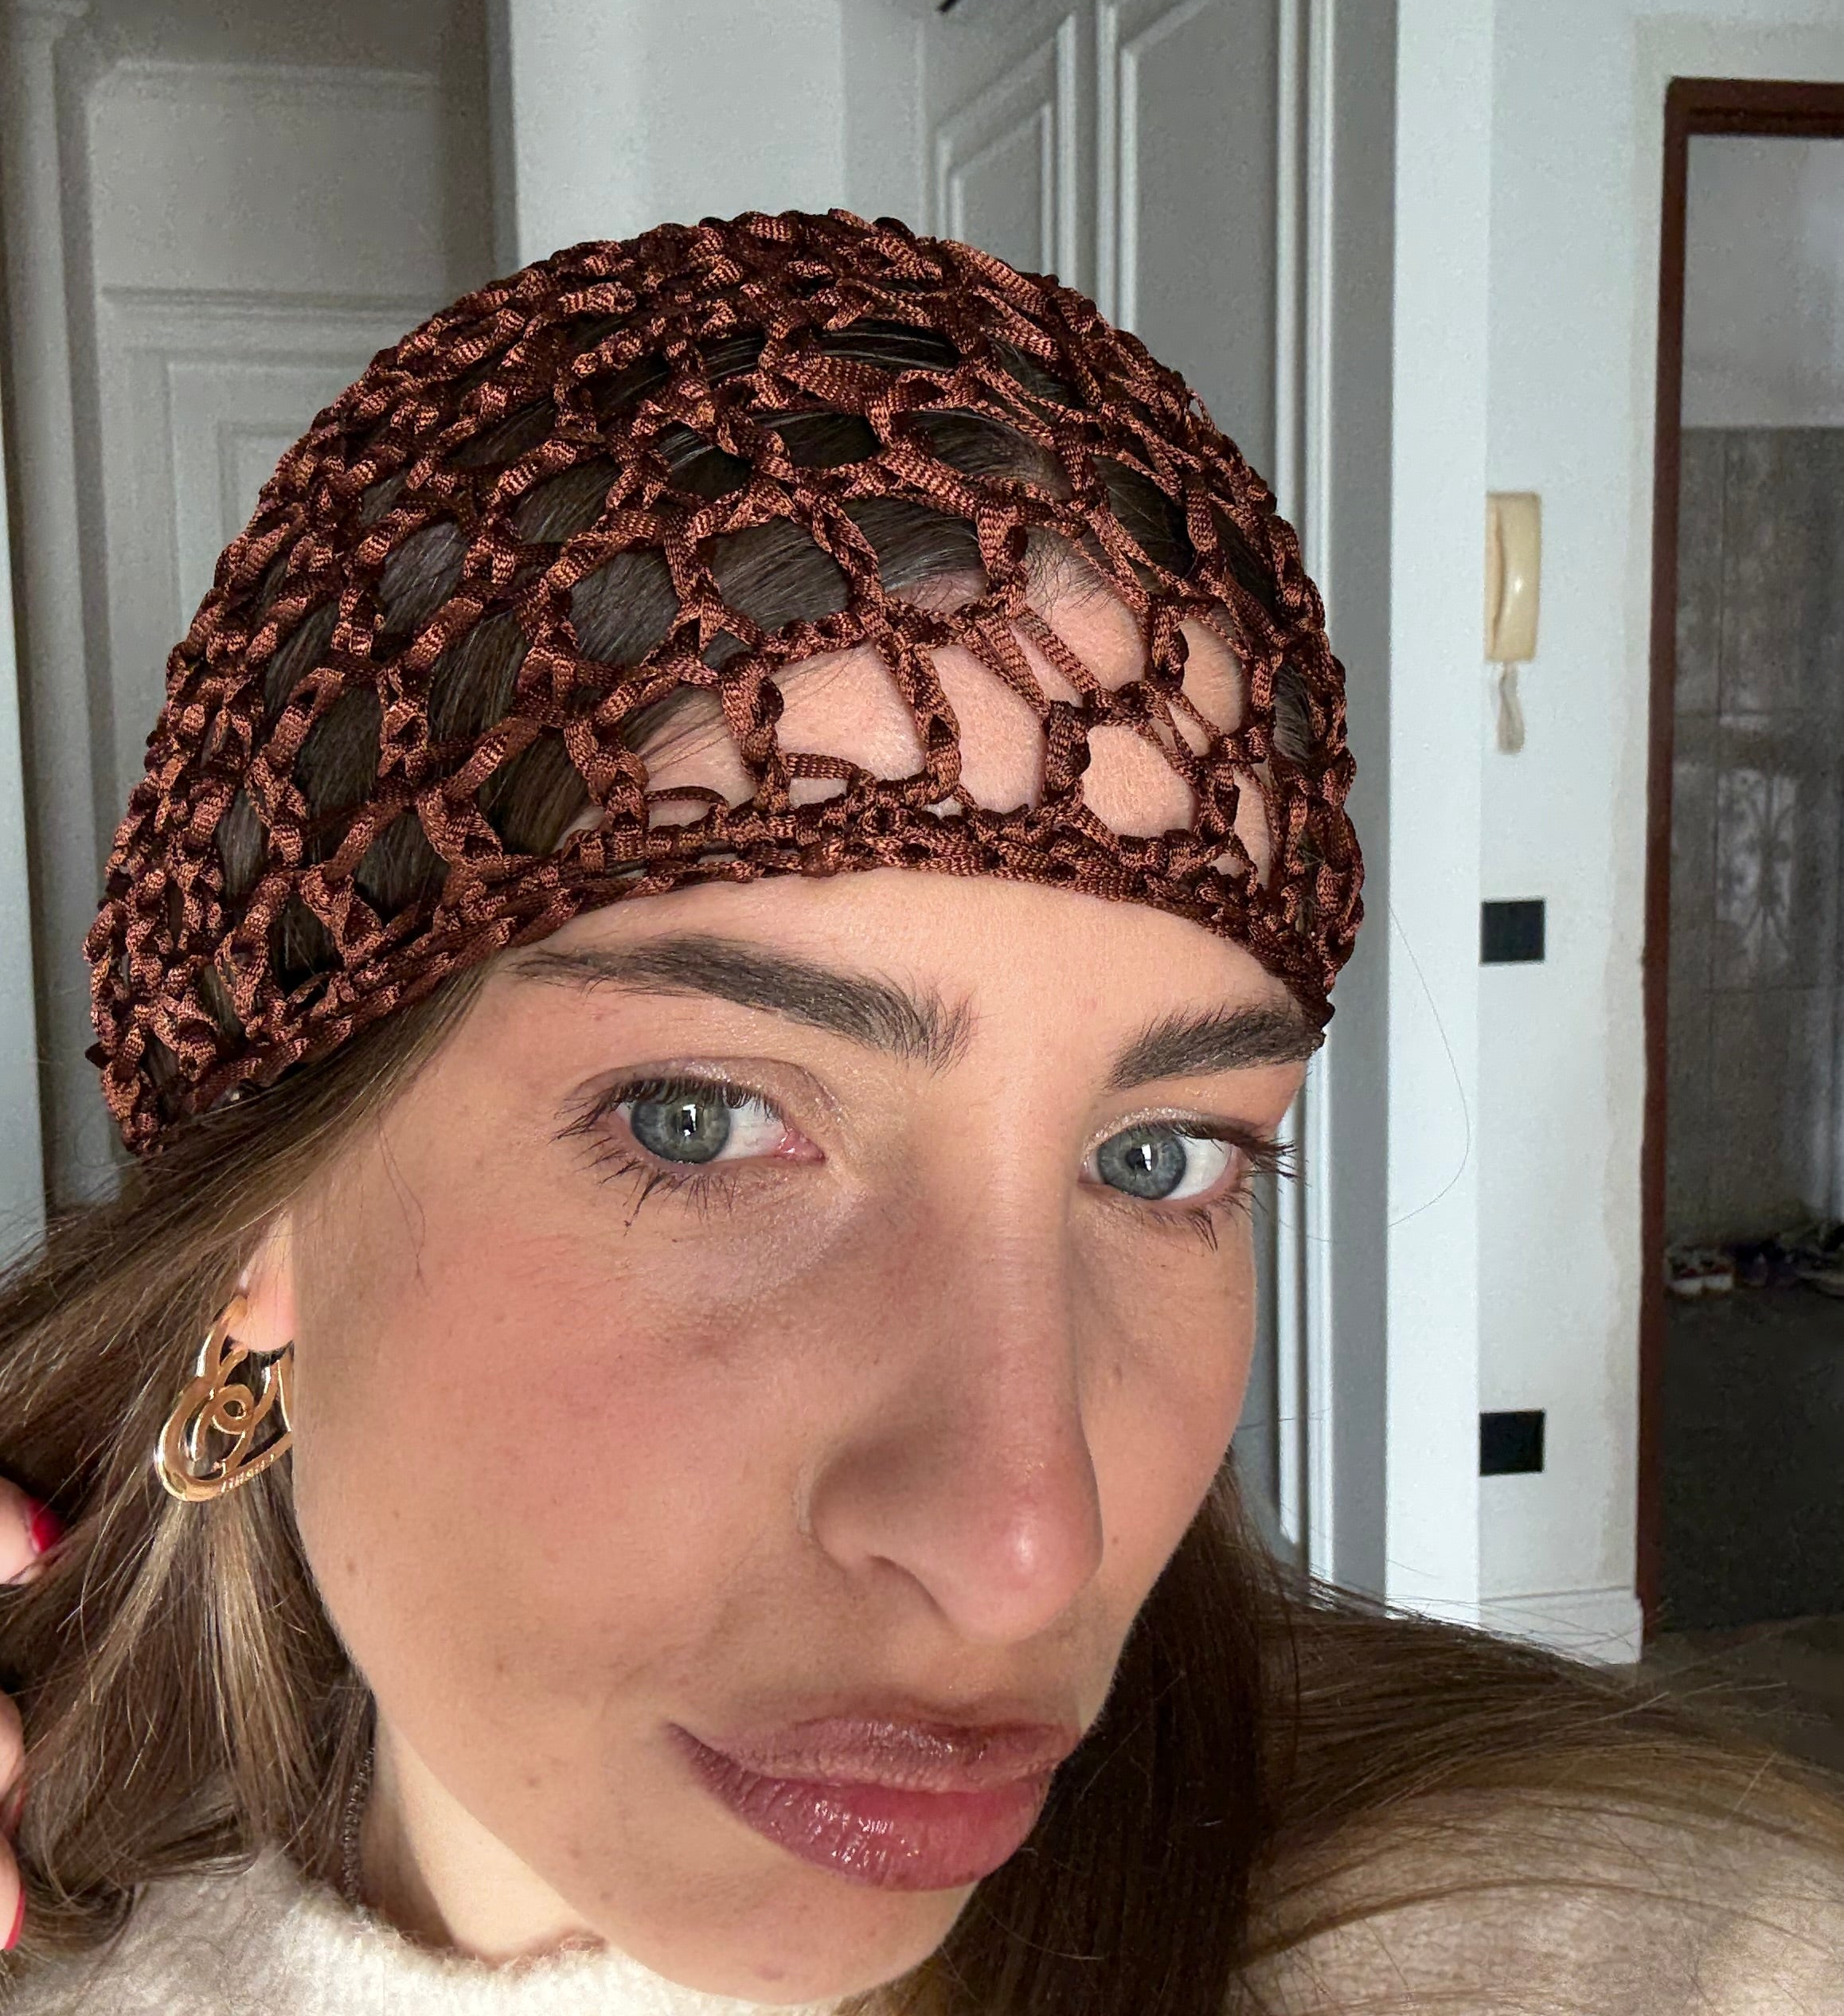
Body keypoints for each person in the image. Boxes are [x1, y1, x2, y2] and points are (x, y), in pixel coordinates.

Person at [0, 209, 1837, 2016]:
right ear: (259, 1224)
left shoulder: (1640, 1953)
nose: (1025, 1540)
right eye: (704, 1119)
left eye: (1161, 1157)